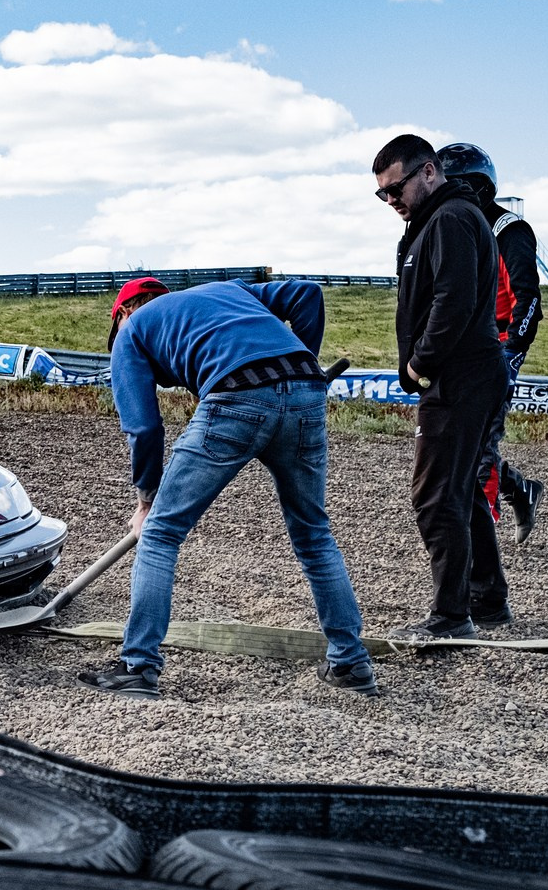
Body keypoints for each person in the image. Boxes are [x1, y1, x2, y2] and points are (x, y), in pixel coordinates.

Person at [80, 275, 375, 700]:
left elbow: (143, 428)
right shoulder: (224, 290)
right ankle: (350, 662)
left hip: (235, 395)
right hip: (305, 393)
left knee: (161, 534)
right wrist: (303, 368)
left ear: (123, 312)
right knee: (313, 533)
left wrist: (146, 501)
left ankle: (137, 667)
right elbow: (307, 294)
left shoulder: (132, 332)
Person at [372, 133, 509, 639]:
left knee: (434, 496)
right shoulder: (438, 220)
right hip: (467, 372)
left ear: (429, 172)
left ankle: (452, 616)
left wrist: (418, 364)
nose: (391, 201)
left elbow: (452, 302)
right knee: (462, 487)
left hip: (461, 374)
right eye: (382, 194)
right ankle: (487, 597)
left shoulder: (450, 219)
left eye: (396, 188)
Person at [438, 142, 548, 544]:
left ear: (480, 189)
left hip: (498, 348)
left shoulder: (509, 231)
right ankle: (521, 490)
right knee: (456, 442)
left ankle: (478, 542)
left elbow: (528, 296)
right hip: (459, 349)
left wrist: (511, 352)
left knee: (479, 442)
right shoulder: (453, 230)